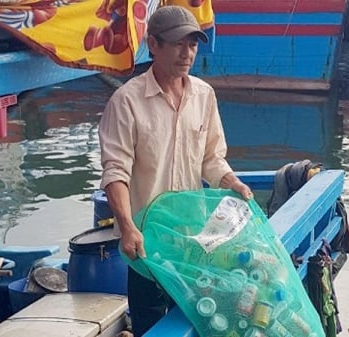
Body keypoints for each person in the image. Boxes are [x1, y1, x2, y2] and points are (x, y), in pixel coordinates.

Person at [98, 5, 253, 337]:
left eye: (193, 44)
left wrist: (232, 181)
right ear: (153, 45)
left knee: (199, 321)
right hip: (147, 245)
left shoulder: (204, 95)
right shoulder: (126, 101)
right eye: (178, 43)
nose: (188, 53)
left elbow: (212, 158)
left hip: (193, 242)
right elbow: (116, 173)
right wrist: (126, 227)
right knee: (152, 326)